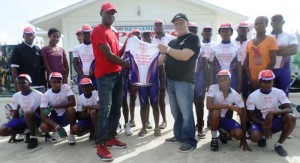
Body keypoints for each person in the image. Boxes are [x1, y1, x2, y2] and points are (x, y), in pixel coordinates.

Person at [90, 2, 128, 161]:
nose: (111, 16)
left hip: (117, 74)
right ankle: (101, 145)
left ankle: (111, 137)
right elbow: (108, 55)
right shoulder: (98, 31)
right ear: (101, 14)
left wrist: (129, 44)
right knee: (105, 110)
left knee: (116, 108)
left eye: (113, 14)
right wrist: (126, 64)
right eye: (108, 13)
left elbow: (117, 53)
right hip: (105, 75)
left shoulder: (112, 32)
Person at [158, 13, 199, 152]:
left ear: (187, 23)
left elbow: (185, 56)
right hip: (171, 81)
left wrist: (167, 50)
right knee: (176, 112)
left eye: (181, 22)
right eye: (176, 23)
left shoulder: (193, 38)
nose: (179, 25)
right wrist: (146, 55)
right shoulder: (172, 42)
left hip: (184, 82)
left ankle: (189, 141)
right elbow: (160, 60)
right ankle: (179, 135)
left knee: (186, 113)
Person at [246, 69, 296, 157]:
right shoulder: (253, 96)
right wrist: (263, 125)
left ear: (273, 82)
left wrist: (272, 112)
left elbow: (289, 109)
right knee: (254, 137)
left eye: (269, 81)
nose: (267, 84)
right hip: (260, 121)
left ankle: (279, 144)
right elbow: (250, 117)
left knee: (291, 117)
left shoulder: (279, 92)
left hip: (274, 120)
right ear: (259, 82)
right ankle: (263, 137)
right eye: (264, 82)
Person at [206, 70, 251, 152]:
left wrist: (243, 138)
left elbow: (243, 116)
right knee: (216, 111)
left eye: (225, 80)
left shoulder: (236, 95)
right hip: (213, 117)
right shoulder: (213, 87)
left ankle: (225, 133)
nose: (222, 82)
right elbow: (208, 105)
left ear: (230, 81)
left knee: (239, 134)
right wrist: (229, 106)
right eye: (220, 80)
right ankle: (214, 138)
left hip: (225, 119)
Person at [0, 74, 42, 149]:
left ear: (30, 83)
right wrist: (13, 134)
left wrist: (45, 129)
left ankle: (33, 137)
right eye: (19, 83)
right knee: (2, 130)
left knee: (28, 113)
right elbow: (15, 114)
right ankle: (26, 132)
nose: (21, 85)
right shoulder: (16, 96)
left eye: (23, 83)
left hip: (36, 119)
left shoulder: (38, 95)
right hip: (24, 118)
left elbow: (44, 112)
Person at [191, 24, 215, 138]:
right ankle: (190, 127)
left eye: (194, 30)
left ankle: (200, 127)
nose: (192, 32)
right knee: (186, 104)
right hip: (185, 78)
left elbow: (205, 62)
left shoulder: (200, 45)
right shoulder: (180, 44)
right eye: (190, 30)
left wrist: (207, 80)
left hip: (198, 75)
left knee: (199, 101)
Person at [39, 72, 76, 144]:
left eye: (59, 82)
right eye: (54, 82)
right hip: (55, 118)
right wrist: (57, 127)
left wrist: (54, 106)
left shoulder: (65, 87)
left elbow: (73, 102)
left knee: (71, 109)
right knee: (43, 127)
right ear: (50, 82)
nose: (57, 84)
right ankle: (56, 130)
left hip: (65, 117)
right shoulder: (46, 95)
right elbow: (43, 114)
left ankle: (71, 133)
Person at [244, 16, 277, 93]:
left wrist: (263, 78)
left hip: (266, 81)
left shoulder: (271, 40)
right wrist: (250, 80)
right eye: (256, 23)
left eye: (261, 23)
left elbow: (273, 61)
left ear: (266, 24)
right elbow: (246, 63)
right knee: (252, 102)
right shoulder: (249, 43)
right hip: (252, 81)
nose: (259, 25)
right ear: (254, 26)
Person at [152, 20, 175, 130]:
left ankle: (177, 121)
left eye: (160, 25)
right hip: (157, 71)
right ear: (154, 27)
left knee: (174, 96)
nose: (158, 26)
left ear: (163, 26)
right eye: (156, 25)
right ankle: (164, 120)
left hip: (171, 69)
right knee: (161, 96)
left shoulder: (170, 38)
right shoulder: (151, 41)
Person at [269, 14, 298, 96]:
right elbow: (265, 52)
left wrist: (273, 52)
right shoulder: (267, 37)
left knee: (284, 95)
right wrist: (286, 47)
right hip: (270, 69)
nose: (277, 21)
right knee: (269, 95)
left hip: (284, 69)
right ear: (271, 23)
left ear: (283, 22)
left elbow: (294, 50)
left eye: (279, 20)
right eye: (274, 20)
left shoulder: (290, 35)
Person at [11, 27, 47, 92]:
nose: (30, 37)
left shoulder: (38, 49)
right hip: (24, 86)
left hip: (39, 85)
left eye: (31, 35)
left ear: (34, 36)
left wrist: (44, 83)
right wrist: (17, 85)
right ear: (23, 36)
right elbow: (14, 69)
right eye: (27, 35)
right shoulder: (18, 49)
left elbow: (42, 68)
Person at [209, 23, 242, 92]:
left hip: (232, 77)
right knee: (218, 98)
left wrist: (240, 82)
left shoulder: (237, 47)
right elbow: (211, 66)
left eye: (227, 31)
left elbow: (239, 65)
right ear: (219, 33)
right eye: (222, 31)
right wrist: (210, 81)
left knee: (230, 98)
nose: (224, 33)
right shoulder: (214, 47)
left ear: (231, 33)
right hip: (217, 77)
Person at [72, 78, 99, 144]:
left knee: (93, 112)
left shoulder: (96, 93)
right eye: (83, 86)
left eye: (87, 86)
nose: (85, 88)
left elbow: (100, 106)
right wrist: (85, 113)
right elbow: (79, 116)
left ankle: (98, 134)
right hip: (88, 119)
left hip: (98, 118)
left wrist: (87, 107)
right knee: (75, 129)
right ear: (81, 88)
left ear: (91, 86)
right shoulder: (80, 98)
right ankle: (91, 131)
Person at [73, 24, 97, 94]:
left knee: (96, 97)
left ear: (91, 33)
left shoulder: (96, 46)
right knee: (82, 97)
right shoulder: (77, 47)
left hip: (94, 76)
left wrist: (91, 75)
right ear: (82, 33)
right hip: (81, 76)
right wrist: (82, 76)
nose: (87, 35)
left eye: (88, 32)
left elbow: (99, 62)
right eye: (85, 33)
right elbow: (75, 63)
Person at [233, 22, 250, 99]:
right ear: (237, 30)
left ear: (248, 30)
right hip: (234, 71)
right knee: (233, 94)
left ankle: (245, 111)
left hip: (247, 72)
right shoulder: (232, 43)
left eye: (244, 29)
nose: (242, 30)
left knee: (246, 95)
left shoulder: (251, 42)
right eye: (241, 28)